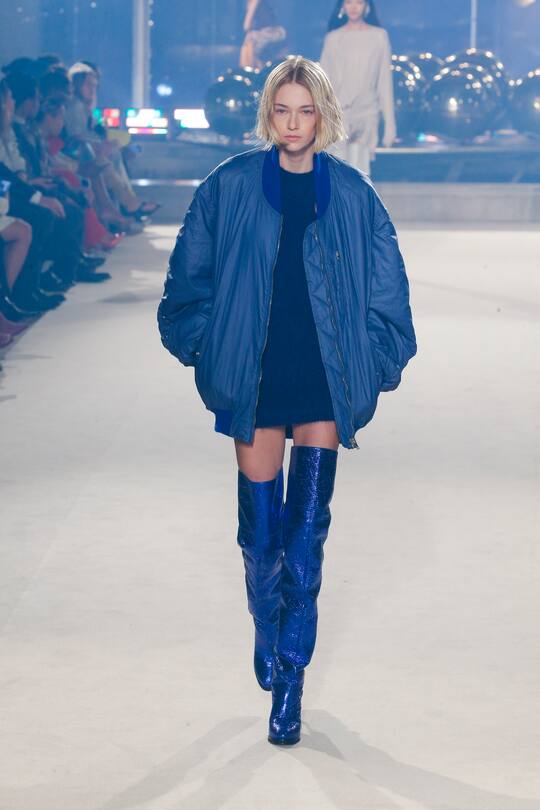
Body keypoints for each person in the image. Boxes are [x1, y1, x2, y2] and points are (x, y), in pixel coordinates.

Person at [157, 56, 416, 746]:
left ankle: (291, 681)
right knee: (260, 537)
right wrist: (210, 348)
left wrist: (372, 365)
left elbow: (389, 292)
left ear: (323, 115)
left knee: (307, 535)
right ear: (268, 114)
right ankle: (265, 622)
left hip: (323, 373)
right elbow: (188, 279)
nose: (294, 123)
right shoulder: (230, 185)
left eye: (305, 110)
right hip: (258, 374)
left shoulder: (354, 194)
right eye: (282, 110)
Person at [320, 0, 396, 174]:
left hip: (367, 112)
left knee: (360, 171)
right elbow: (323, 82)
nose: (354, 7)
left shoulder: (379, 36)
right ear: (342, 6)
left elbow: (384, 81)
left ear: (367, 6)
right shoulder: (333, 38)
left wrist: (390, 124)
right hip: (339, 113)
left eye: (359, 2)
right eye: (349, 2)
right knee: (338, 172)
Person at [239, 0, 286, 68]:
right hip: (258, 71)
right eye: (258, 11)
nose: (258, 14)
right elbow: (246, 26)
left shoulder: (280, 32)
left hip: (275, 70)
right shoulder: (252, 36)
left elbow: (284, 58)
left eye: (262, 9)